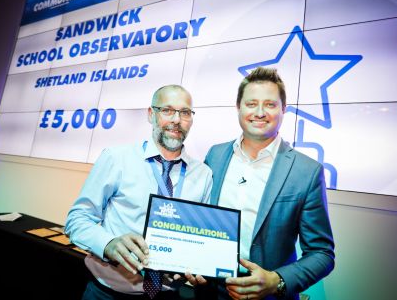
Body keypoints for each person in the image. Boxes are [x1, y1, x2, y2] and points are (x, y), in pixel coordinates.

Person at [198, 67, 335, 300]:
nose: (259, 112)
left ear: (284, 109)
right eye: (251, 104)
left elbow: (322, 253)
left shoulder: (307, 171)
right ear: (238, 107)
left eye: (270, 104)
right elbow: (201, 218)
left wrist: (277, 281)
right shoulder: (215, 155)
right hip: (209, 291)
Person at [65, 85, 213, 300]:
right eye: (167, 110)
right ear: (151, 114)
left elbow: (201, 236)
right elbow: (77, 220)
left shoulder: (203, 174)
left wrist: (200, 263)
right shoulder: (117, 159)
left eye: (185, 112)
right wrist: (108, 244)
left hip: (168, 295)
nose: (176, 120)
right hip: (107, 294)